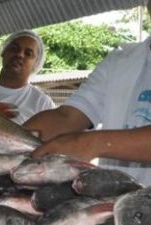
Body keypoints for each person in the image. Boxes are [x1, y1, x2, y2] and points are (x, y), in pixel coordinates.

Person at [23, 0, 151, 186]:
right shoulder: (121, 60)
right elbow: (67, 117)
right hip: (114, 204)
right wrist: (5, 137)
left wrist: (91, 143)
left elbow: (86, 142)